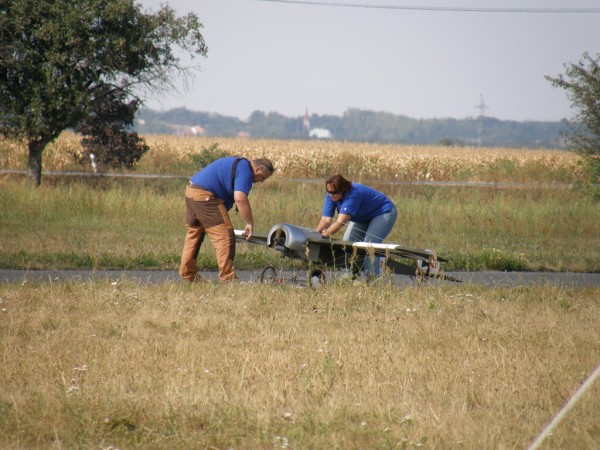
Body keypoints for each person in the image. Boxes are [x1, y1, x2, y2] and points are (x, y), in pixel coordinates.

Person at [179, 156, 275, 282]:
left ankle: (188, 275)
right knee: (225, 236)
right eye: (263, 177)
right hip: (205, 196)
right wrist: (249, 222)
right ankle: (228, 278)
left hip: (191, 191)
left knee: (194, 234)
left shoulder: (240, 164)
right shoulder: (245, 171)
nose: (261, 181)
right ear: (258, 169)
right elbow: (240, 198)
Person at [315, 174, 397, 277]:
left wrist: (325, 235)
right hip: (362, 217)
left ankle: (372, 280)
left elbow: (340, 223)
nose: (332, 195)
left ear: (343, 189)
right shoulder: (331, 196)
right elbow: (326, 220)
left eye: (334, 192)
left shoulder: (353, 194)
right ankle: (349, 276)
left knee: (369, 246)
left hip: (383, 213)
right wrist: (314, 235)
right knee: (347, 243)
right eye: (329, 192)